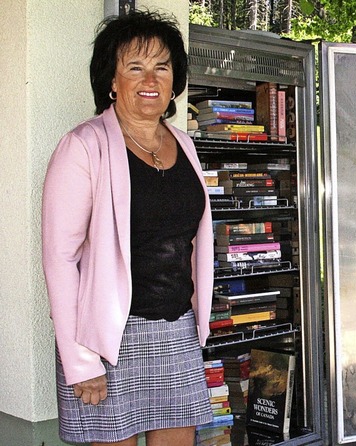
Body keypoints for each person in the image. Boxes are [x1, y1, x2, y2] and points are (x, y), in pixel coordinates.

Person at [41, 10, 214, 446]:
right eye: (134, 67)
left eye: (162, 66)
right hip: (106, 339)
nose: (149, 78)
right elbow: (60, 258)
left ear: (175, 80)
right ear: (112, 81)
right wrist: (81, 361)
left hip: (176, 330)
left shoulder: (187, 146)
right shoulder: (83, 146)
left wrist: (198, 327)